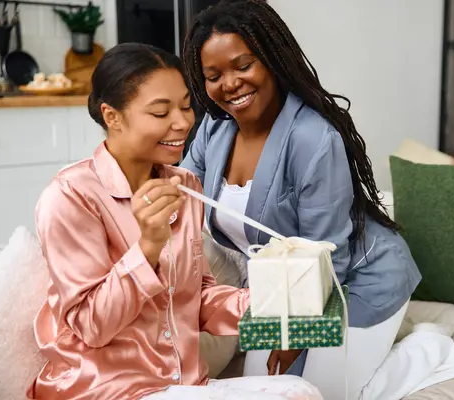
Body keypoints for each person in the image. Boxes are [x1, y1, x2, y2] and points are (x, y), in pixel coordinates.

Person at [26, 43, 323, 400]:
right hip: (104, 389)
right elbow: (92, 326)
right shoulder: (71, 197)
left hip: (182, 385)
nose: (183, 122)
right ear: (112, 116)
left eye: (185, 106)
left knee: (299, 390)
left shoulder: (186, 188)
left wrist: (272, 304)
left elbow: (194, 299)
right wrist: (148, 246)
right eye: (160, 112)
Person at [180, 1, 422, 399]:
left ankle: (426, 349)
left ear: (272, 60)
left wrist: (297, 337)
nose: (230, 83)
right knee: (262, 386)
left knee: (320, 391)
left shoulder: (312, 138)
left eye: (243, 65)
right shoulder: (215, 129)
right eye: (214, 75)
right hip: (285, 289)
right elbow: (182, 192)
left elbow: (329, 255)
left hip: (354, 282)